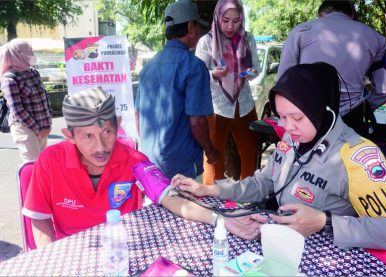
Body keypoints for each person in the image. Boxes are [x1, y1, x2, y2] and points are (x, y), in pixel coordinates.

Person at [172, 63, 386, 251]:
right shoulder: (293, 138)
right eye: (282, 116)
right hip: (283, 250)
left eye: (297, 117)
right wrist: (210, 190)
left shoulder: (358, 156)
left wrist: (326, 222)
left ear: (322, 110)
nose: (287, 127)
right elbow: (264, 183)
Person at [23, 88, 263, 247]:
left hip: (120, 251)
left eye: (107, 131)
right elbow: (40, 219)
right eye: (88, 136)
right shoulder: (49, 161)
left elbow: (174, 200)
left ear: (118, 125)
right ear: (69, 136)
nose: (101, 146)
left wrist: (220, 219)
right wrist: (52, 257)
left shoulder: (132, 159)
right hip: (72, 250)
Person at [276, 0, 386, 138]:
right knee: (346, 158)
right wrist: (363, 107)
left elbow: (283, 81)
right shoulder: (376, 38)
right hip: (350, 118)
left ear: (321, 13)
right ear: (352, 13)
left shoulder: (301, 31)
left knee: (303, 158)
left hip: (306, 115)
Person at [135, 0, 219, 180]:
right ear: (190, 26)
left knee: (157, 208)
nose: (199, 32)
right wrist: (211, 152)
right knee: (186, 207)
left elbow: (138, 115)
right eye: (198, 26)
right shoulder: (194, 66)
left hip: (150, 162)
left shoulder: (148, 67)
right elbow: (197, 121)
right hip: (182, 165)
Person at [195, 0, 260, 185]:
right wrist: (213, 74)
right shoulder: (206, 41)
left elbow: (256, 68)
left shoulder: (247, 39)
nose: (231, 26)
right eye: (226, 20)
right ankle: (212, 195)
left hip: (244, 103)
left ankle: (249, 191)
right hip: (216, 105)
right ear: (217, 18)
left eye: (236, 20)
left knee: (250, 148)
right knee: (213, 153)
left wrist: (250, 73)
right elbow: (197, 75)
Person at [0, 39, 52, 163]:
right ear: (18, 54)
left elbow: (44, 97)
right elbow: (17, 110)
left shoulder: (33, 72)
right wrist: (38, 129)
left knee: (43, 165)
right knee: (33, 166)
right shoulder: (9, 78)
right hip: (25, 128)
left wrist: (48, 123)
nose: (32, 55)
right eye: (30, 52)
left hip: (43, 127)